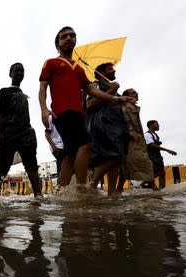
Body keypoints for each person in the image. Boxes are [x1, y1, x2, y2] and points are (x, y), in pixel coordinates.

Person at [38, 26, 131, 191]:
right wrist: (44, 109)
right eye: (64, 36)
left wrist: (115, 97)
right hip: (63, 112)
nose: (69, 38)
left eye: (72, 36)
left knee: (69, 154)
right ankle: (81, 189)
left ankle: (61, 191)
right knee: (86, 145)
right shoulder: (51, 63)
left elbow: (92, 90)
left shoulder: (79, 69)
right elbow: (43, 87)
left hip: (78, 113)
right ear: (57, 44)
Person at [0, 63, 42, 198]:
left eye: (22, 71)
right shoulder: (4, 92)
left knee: (31, 165)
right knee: (3, 167)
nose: (19, 73)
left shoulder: (23, 94)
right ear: (10, 74)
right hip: (9, 135)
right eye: (16, 71)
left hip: (26, 135)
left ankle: (38, 195)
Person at [85, 63, 129, 195]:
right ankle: (93, 183)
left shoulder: (115, 90)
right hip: (102, 125)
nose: (113, 70)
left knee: (116, 161)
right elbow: (90, 104)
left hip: (116, 127)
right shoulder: (95, 85)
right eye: (110, 69)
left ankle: (111, 195)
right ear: (101, 73)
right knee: (112, 157)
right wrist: (110, 90)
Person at [116, 89, 154, 193]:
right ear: (126, 96)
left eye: (136, 92)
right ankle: (153, 188)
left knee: (127, 164)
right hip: (133, 139)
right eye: (133, 93)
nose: (136, 94)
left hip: (137, 139)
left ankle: (119, 189)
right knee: (145, 162)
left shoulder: (133, 107)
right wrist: (131, 132)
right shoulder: (126, 107)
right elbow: (126, 121)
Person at [144, 120, 177, 190]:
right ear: (150, 125)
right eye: (156, 124)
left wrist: (158, 143)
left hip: (158, 156)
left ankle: (162, 190)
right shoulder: (147, 134)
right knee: (154, 174)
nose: (158, 125)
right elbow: (151, 145)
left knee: (162, 173)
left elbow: (155, 144)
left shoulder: (155, 135)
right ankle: (150, 186)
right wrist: (167, 150)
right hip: (151, 156)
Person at [45, 115, 64, 182]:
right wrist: (53, 146)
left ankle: (63, 186)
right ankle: (59, 186)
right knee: (62, 165)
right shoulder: (51, 118)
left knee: (67, 166)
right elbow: (46, 134)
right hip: (57, 146)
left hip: (65, 146)